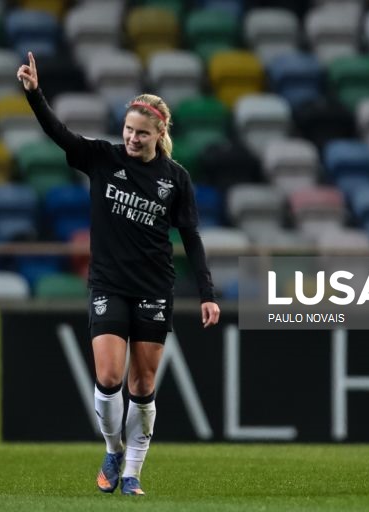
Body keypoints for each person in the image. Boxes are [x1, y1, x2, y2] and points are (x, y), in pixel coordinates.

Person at [17, 51, 220, 496]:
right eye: (128, 130)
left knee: (143, 383)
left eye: (141, 133)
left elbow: (192, 236)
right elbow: (60, 135)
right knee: (109, 376)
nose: (131, 138)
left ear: (159, 134)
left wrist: (206, 291)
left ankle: (132, 474)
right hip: (109, 283)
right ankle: (113, 448)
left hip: (153, 288)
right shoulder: (103, 159)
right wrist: (35, 96)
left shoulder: (176, 178)